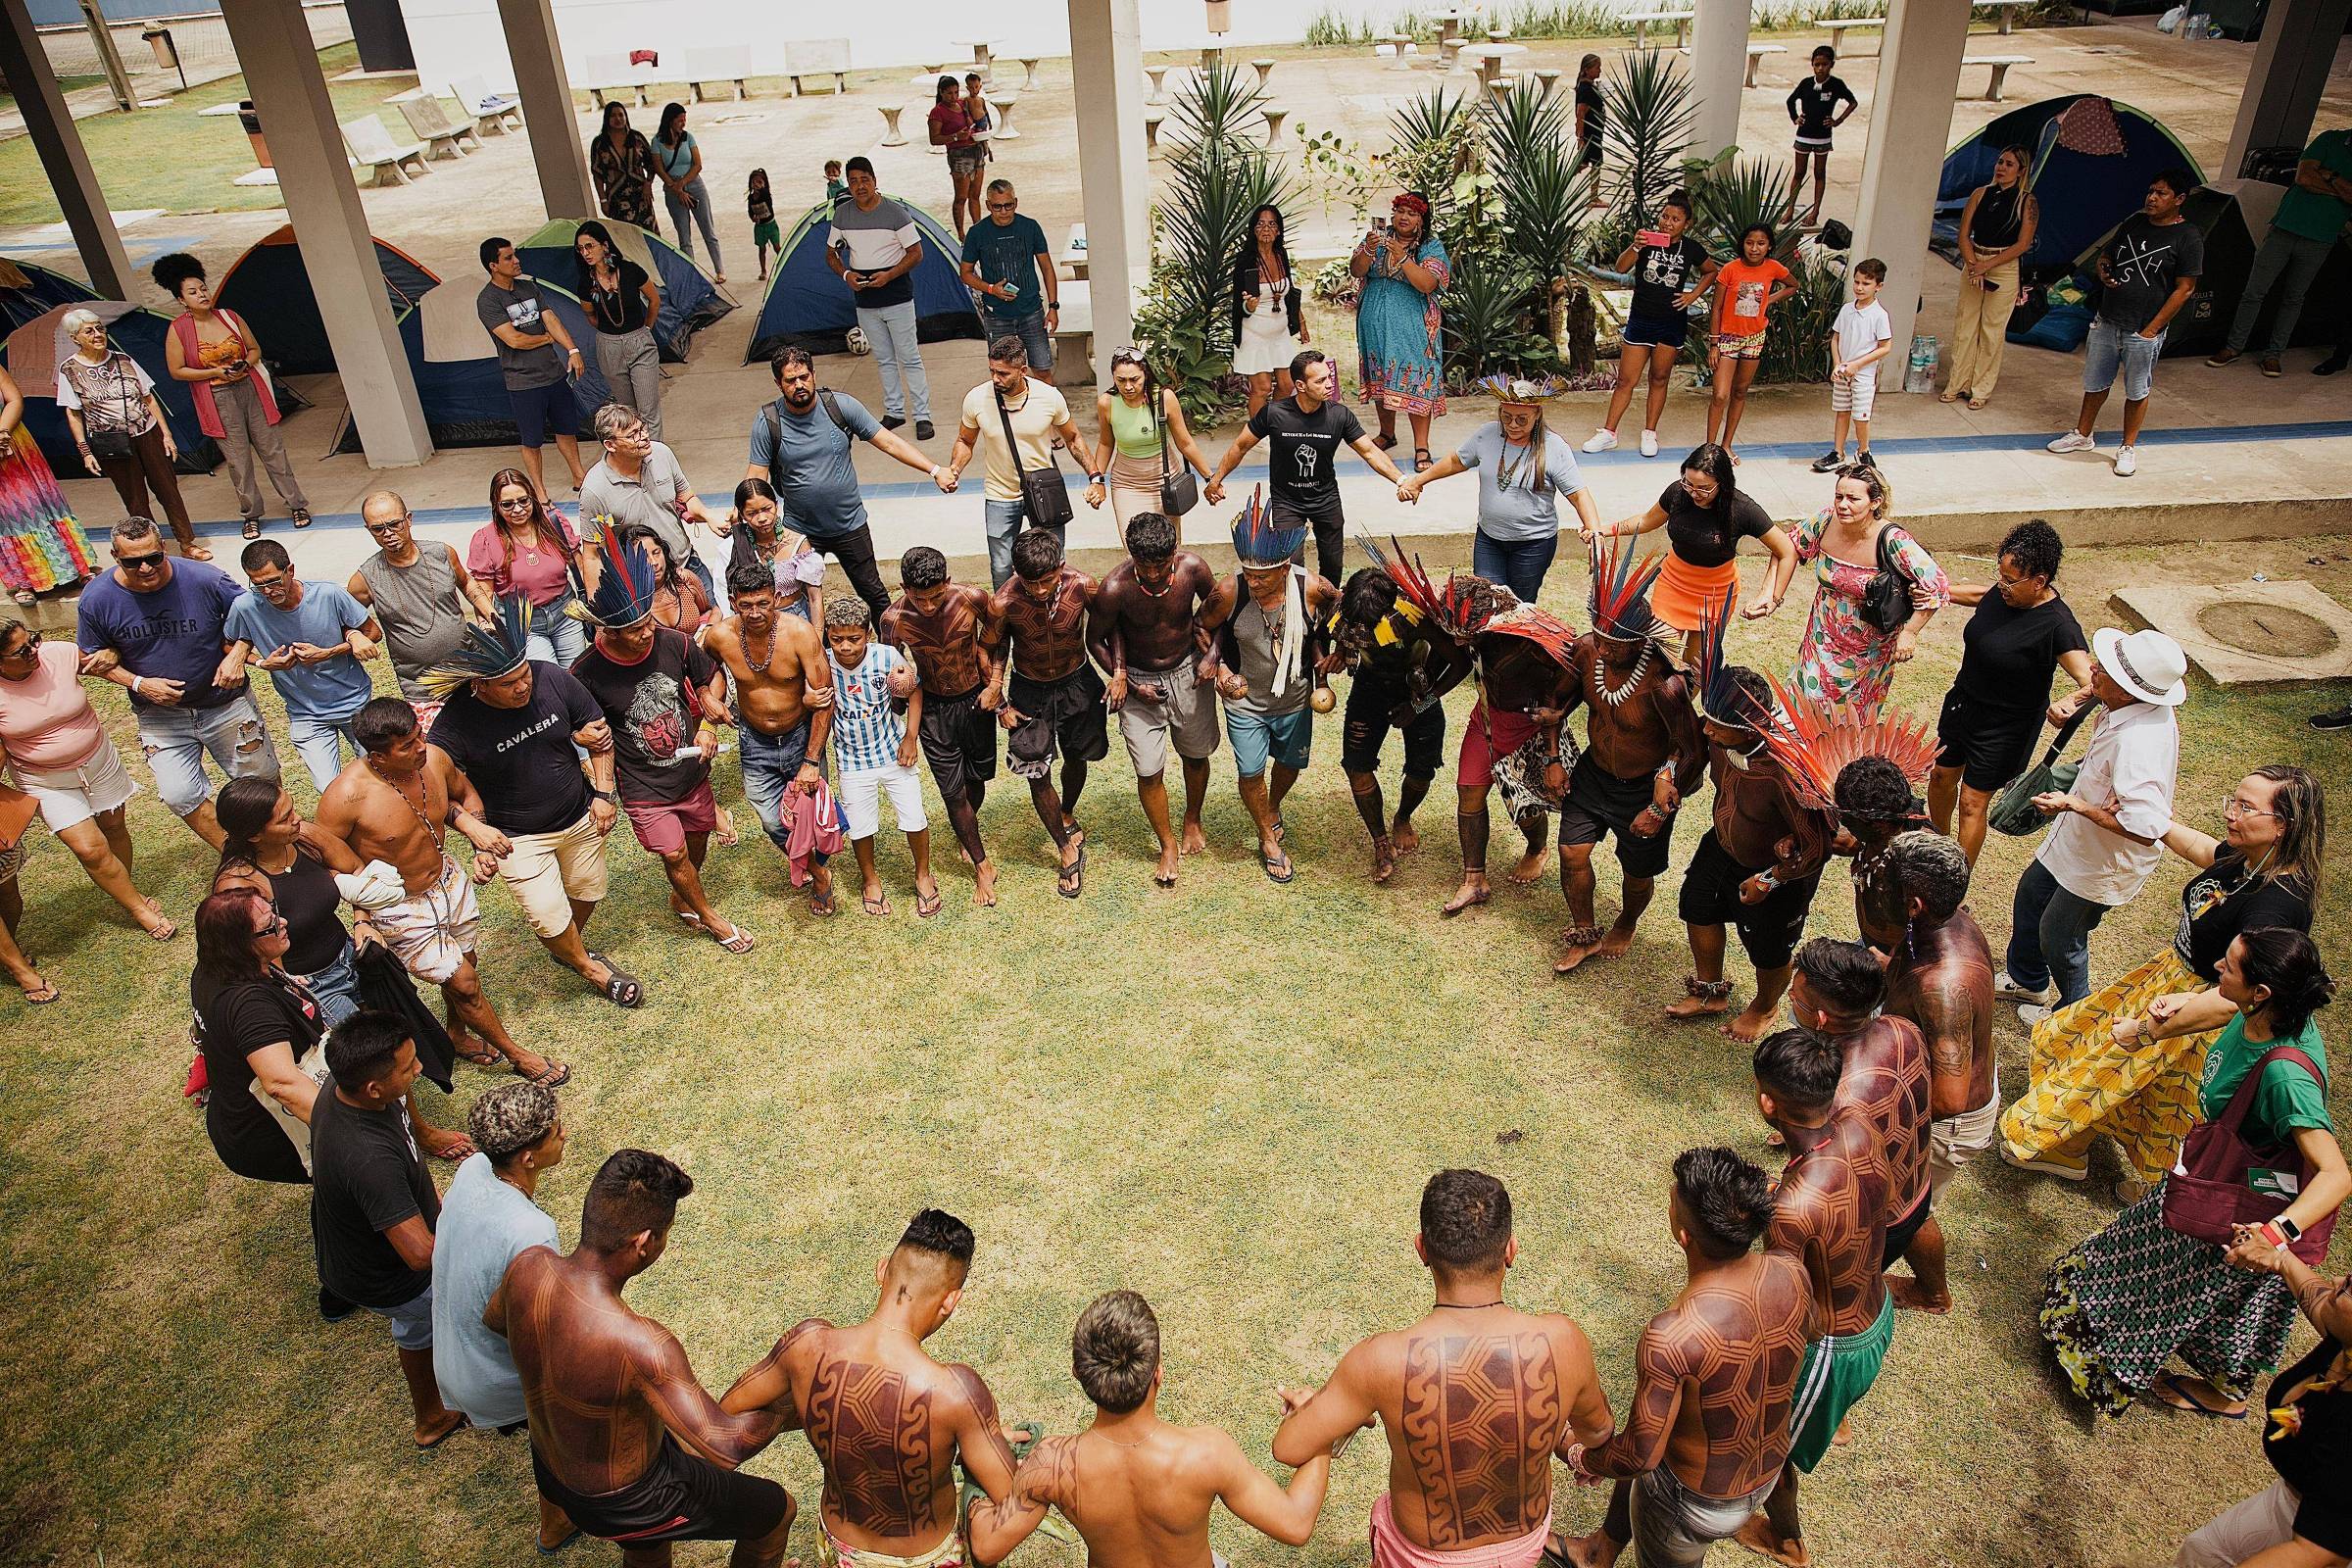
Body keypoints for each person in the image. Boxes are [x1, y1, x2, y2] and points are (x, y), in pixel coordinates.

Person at [2038, 929, 2347, 1420]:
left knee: (2178, 1295)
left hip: (2237, 1214)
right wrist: (2145, 1031)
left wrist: (2274, 1235)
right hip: (2209, 1178)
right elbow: (2218, 1005)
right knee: (2166, 1273)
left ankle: (2213, 1391)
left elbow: (2335, 1175)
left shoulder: (2285, 1077)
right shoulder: (2257, 1010)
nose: (2217, 971)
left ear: (2261, 992)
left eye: (2229, 966)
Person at [2002, 764, 2321, 1197]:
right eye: (2234, 800)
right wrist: (2154, 820)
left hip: (2198, 1014)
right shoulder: (2250, 859)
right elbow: (2207, 854)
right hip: (2172, 982)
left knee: (2150, 1096)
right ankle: (2076, 1150)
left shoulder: (2276, 910)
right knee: (2114, 1070)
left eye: (2246, 807)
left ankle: (2159, 1191)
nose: (2231, 813)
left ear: (2281, 825)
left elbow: (2238, 999)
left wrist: (2150, 1029)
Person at [1272, 1169, 1616, 1568]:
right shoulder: (1563, 1342)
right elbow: (1598, 1431)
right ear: (1510, 1250)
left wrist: (1314, 1410)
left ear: (1422, 1250)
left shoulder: (1381, 1361)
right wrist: (1556, 1435)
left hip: (1421, 1557)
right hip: (1523, 1547)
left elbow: (1289, 1447)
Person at [491, 1149, 795, 1565]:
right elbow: (724, 1446)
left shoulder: (527, 1266)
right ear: (644, 1243)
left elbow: (495, 1321)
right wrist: (789, 1404)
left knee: (647, 1545)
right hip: (630, 1501)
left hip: (551, 1470)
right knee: (775, 1512)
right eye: (665, 1233)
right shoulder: (642, 1344)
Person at [1554, 1148, 1813, 1568]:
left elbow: (1639, 1457)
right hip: (1769, 1473)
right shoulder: (1791, 1272)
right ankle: (1600, 1551)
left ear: (1684, 1235)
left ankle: (1598, 1552)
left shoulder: (1672, 1335)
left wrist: (1578, 1453)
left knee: (1649, 1446)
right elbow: (1806, 1336)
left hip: (1691, 1506)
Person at [718, 1209, 1017, 1568]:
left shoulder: (807, 1346)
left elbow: (728, 1410)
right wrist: (978, 1445)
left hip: (837, 1545)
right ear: (951, 1301)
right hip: (927, 1559)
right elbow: (1010, 1497)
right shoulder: (957, 1391)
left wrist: (819, 1408)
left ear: (881, 1271)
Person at [969, 1289, 1335, 1568]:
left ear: (1078, 1375)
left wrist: (976, 1456)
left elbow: (986, 1548)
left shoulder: (1049, 1465)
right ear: (1158, 1373)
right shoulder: (1207, 1453)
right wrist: (1321, 1429)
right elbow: (1297, 1524)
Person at [314, 697, 567, 1086]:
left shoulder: (433, 759)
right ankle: (519, 1056)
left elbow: (463, 795)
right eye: (407, 746)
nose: (420, 749)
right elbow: (328, 863)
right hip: (399, 905)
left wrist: (476, 834)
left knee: (467, 963)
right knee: (464, 983)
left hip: (449, 881)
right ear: (378, 756)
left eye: (419, 737)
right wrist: (363, 913)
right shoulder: (346, 797)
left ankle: (458, 1034)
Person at [422, 598, 642, 1008]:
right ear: (479, 685)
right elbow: (437, 795)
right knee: (545, 912)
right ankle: (589, 967)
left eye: (525, 675)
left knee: (588, 892)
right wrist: (475, 832)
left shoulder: (551, 678)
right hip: (517, 837)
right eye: (509, 684)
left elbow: (597, 734)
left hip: (580, 816)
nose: (524, 687)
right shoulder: (453, 725)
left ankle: (566, 946)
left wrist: (604, 794)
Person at [1739, 1027, 1898, 1568]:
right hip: (1879, 1312)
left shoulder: (1790, 1210)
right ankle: (1830, 1413)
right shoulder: (1860, 1124)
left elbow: (1786, 1313)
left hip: (1834, 1349)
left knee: (1771, 1449)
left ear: (1767, 1102)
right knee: (1812, 1406)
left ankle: (1786, 1540)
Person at [567, 531, 755, 952]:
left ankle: (683, 898)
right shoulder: (585, 672)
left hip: (691, 772)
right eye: (635, 629)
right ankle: (709, 916)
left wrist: (707, 717)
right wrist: (582, 736)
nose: (647, 632)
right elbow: (573, 726)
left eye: (649, 621)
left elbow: (709, 677)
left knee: (698, 839)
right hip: (642, 785)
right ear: (610, 631)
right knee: (673, 854)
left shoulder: (674, 642)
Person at [1998, 625, 2187, 1018]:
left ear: (2127, 691)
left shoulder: (2138, 747)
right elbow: (2102, 689)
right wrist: (2082, 693)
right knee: (2032, 893)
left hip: (2102, 860)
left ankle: (2073, 1015)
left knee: (2060, 937)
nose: (2093, 668)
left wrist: (2074, 805)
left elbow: (2145, 826)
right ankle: (2028, 981)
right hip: (2075, 842)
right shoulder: (2130, 701)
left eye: (2106, 671)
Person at [308, 1010, 467, 1448]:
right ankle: (432, 1419)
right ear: (374, 1087)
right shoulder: (367, 1158)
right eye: (409, 1068)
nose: (419, 1069)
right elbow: (418, 1255)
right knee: (426, 1324)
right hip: (390, 1275)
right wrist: (472, 1239)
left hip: (362, 1242)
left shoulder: (347, 1091)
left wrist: (433, 1199)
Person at [429, 1082, 577, 1555]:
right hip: (490, 1376)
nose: (565, 1135)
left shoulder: (473, 1167)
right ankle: (557, 1522)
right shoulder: (532, 1230)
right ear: (528, 1158)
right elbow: (533, 1325)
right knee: (558, 1437)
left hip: (448, 1354)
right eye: (556, 1132)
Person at [76, 515, 280, 848]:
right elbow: (93, 658)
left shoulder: (206, 579)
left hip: (225, 704)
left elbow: (253, 613)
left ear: (165, 548)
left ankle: (279, 848)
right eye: (132, 561)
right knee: (179, 794)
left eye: (153, 557)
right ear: (115, 557)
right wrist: (139, 683)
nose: (145, 568)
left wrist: (238, 653)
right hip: (160, 718)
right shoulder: (97, 598)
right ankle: (240, 854)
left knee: (260, 783)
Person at [1552, 540, 1705, 976]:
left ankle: (1626, 921)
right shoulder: (1587, 651)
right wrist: (1552, 757)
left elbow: (1693, 749)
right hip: (1593, 775)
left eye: (1612, 645)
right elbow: (1557, 703)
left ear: (1639, 641)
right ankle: (1584, 932)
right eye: (1597, 637)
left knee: (1636, 871)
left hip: (1642, 790)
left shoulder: (1665, 684)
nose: (1601, 650)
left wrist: (1660, 801)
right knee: (1571, 853)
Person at [1669, 646, 1833, 1042]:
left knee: (1768, 951)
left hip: (1775, 872)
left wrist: (1772, 878)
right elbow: (1689, 751)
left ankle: (1765, 1006)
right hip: (1720, 846)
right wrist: (1666, 775)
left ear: (1750, 727)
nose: (1707, 730)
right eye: (1707, 720)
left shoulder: (1784, 771)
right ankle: (1710, 991)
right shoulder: (1720, 739)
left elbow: (1818, 847)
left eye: (1717, 725)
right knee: (1697, 906)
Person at [2174, 1235, 2352, 1566]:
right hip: (2292, 1499)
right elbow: (2320, 1301)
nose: (2337, 1279)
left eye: (2350, 1288)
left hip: (2321, 1540)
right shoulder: (2346, 1342)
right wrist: (2279, 1257)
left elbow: (2313, 1553)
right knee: (2203, 1552)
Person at [745, 347, 952, 627]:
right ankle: (816, 657)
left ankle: (892, 655)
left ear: (814, 374)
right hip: (799, 530)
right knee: (799, 599)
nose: (799, 385)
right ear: (778, 384)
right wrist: (740, 516)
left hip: (849, 524)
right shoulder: (768, 421)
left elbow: (889, 442)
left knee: (875, 595)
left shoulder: (841, 407)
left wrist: (934, 470)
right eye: (790, 381)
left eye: (804, 377)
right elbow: (756, 479)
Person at [1878, 831, 1996, 1316]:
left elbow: (1947, 1097)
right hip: (1939, 1106)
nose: (1873, 889)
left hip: (1945, 1123)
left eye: (1883, 885)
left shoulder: (1942, 988)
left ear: (1914, 903)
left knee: (1902, 1208)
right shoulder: (1946, 922)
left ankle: (1932, 1293)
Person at [1928, 519, 2093, 863]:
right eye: (1999, 575)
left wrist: (2071, 700)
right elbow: (1980, 595)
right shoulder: (2005, 593)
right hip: (1963, 704)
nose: (2000, 585)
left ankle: (1954, 880)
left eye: (2009, 580)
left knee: (1973, 802)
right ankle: (1935, 847)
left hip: (2005, 727)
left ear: (2039, 582)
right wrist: (1938, 592)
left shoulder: (2057, 624)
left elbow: (2093, 680)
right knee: (1941, 776)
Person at [0, 613, 174, 938]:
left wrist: (115, 656)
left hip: (98, 760)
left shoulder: (58, 653)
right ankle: (137, 906)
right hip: (45, 780)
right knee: (89, 848)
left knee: (113, 826)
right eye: (22, 651)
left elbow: (104, 663)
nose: (35, 651)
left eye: (33, 640)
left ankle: (125, 888)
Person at [1200, 497, 1339, 886]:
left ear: (1284, 567)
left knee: (1291, 765)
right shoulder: (1230, 590)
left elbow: (1342, 616)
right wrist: (1220, 665)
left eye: (1262, 576)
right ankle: (1266, 835)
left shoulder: (1312, 588)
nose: (1253, 582)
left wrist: (1332, 656)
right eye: (1248, 573)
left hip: (1295, 700)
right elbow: (1201, 625)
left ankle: (1271, 807)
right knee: (1250, 770)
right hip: (1245, 702)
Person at [1423, 575, 1578, 919]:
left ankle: (1537, 849)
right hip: (1487, 721)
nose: (1459, 642)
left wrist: (1555, 737)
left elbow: (1576, 672)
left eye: (1465, 636)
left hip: (1529, 729)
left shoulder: (1531, 643)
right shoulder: (1470, 632)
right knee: (1469, 790)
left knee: (1527, 807)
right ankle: (1474, 879)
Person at [704, 527, 837, 913]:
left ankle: (815, 867)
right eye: (746, 605)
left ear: (776, 598)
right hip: (754, 739)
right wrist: (709, 697)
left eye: (763, 603)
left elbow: (824, 699)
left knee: (812, 813)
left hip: (799, 737)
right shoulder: (720, 636)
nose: (756, 613)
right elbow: (703, 670)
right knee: (770, 818)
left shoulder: (801, 634)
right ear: (733, 602)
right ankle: (815, 869)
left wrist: (812, 760)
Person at [1088, 512, 1220, 888]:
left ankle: (1192, 818)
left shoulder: (1193, 568)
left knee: (1196, 756)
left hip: (1188, 673)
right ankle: (1167, 843)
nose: (1153, 574)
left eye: (1161, 566)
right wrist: (1126, 682)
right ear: (1131, 555)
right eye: (1144, 566)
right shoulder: (1115, 586)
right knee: (1148, 769)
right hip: (1138, 682)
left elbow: (1218, 612)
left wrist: (1212, 656)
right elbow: (1094, 639)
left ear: (1174, 552)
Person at [2047, 168, 2203, 478]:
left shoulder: (2188, 237)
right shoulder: (2135, 222)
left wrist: (2152, 329)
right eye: (2151, 191)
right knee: (2095, 383)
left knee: (2136, 389)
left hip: (2143, 328)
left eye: (2161, 193)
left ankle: (2127, 447)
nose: (2152, 198)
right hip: (2108, 320)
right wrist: (2104, 270)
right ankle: (2083, 434)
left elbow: (2185, 288)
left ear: (2179, 199)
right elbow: (2107, 255)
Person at [1205, 349, 1404, 587]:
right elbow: (1240, 446)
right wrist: (1215, 480)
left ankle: (1328, 613)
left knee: (1333, 566)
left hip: (1326, 498)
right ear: (1300, 385)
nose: (1329, 384)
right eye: (1320, 381)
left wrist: (1401, 480)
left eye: (1329, 377)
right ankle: (1300, 615)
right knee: (1293, 567)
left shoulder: (1339, 415)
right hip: (1287, 502)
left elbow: (1370, 452)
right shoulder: (1274, 413)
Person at [1323, 567, 1471, 886]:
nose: (1363, 629)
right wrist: (1339, 654)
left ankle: (1403, 817)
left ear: (1390, 609)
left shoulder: (1416, 618)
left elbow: (1461, 663)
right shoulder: (1342, 607)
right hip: (1370, 686)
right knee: (1357, 765)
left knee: (1422, 768)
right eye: (1356, 623)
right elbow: (1342, 635)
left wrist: (1420, 704)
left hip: (1417, 687)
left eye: (1370, 624)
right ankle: (1379, 840)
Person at [1396, 374, 1599, 604]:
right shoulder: (1487, 434)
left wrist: (1596, 535)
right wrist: (1417, 481)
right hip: (1489, 539)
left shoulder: (1554, 447)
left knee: (1520, 608)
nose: (1513, 424)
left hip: (1533, 545)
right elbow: (1456, 461)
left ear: (1537, 415)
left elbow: (1578, 495)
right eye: (1507, 417)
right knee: (1485, 602)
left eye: (1522, 419)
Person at [153, 252, 310, 540]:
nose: (202, 295)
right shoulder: (179, 329)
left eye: (203, 288)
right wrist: (215, 374)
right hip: (218, 398)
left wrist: (244, 365)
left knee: (273, 450)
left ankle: (296, 504)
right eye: (193, 292)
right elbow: (177, 370)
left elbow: (254, 349)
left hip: (249, 389)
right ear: (180, 300)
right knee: (238, 460)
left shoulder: (230, 317)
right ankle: (251, 514)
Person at [1594, 443, 1793, 666]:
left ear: (1723, 483)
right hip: (1673, 584)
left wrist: (1772, 596)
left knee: (1698, 666)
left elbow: (1786, 551)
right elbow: (1647, 520)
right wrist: (1607, 529)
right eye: (1688, 483)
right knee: (1658, 659)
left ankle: (1685, 702)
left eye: (1704, 487)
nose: (1694, 493)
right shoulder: (1678, 493)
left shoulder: (1742, 508)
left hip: (1715, 593)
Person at [188, 884, 331, 1185]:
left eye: (274, 912)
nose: (284, 923)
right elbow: (280, 1084)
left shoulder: (210, 968)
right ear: (241, 945)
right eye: (269, 927)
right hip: (269, 1134)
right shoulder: (250, 1007)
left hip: (231, 1117)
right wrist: (355, 1126)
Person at [882, 546, 1002, 906]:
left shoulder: (973, 598)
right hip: (933, 708)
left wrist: (995, 683)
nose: (929, 606)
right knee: (952, 793)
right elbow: (893, 668)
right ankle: (982, 864)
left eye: (936, 597)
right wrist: (898, 693)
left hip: (975, 702)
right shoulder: (894, 620)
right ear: (903, 587)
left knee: (975, 781)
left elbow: (999, 639)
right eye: (920, 599)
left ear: (948, 582)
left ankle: (968, 830)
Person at [986, 528, 1102, 898]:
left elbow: (1108, 628)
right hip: (1028, 689)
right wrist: (1000, 697)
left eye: (1046, 581)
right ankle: (1065, 848)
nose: (1038, 590)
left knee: (1077, 757)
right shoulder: (1004, 601)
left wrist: (1119, 672)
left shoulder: (1083, 586)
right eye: (1029, 582)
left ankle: (1066, 812)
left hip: (1077, 682)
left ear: (1061, 567)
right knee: (1036, 770)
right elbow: (991, 646)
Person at [210, 776, 373, 1031]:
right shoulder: (239, 884)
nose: (297, 819)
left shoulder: (305, 837)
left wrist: (362, 920)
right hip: (312, 984)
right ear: (254, 835)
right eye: (284, 819)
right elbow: (259, 950)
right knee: (365, 1045)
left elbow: (356, 869)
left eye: (292, 809)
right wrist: (290, 990)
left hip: (353, 956)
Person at [223, 539, 380, 791]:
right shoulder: (245, 606)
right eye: (258, 584)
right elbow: (229, 646)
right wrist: (264, 663)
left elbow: (372, 632)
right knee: (329, 790)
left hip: (355, 704)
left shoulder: (328, 594)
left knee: (382, 778)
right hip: (305, 713)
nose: (268, 591)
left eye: (273, 581)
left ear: (290, 570)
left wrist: (329, 652)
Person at [1788, 463, 1947, 709]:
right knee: (1804, 702)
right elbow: (1792, 544)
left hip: (1867, 653)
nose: (1842, 504)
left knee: (1848, 721)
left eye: (1853, 498)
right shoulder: (1826, 519)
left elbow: (1937, 584)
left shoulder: (1893, 540)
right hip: (1820, 638)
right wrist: (1772, 594)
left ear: (1875, 502)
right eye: (1838, 496)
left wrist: (1910, 632)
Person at [948, 336, 1098, 589]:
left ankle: (1055, 613)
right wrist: (955, 468)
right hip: (1000, 493)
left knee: (1052, 559)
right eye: (992, 371)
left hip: (1043, 491)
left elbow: (1072, 438)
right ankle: (1005, 620)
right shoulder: (976, 399)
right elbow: (965, 440)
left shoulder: (1049, 397)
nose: (996, 379)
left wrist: (1095, 476)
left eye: (1003, 373)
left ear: (1023, 371)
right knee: (1001, 566)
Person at [54, 310, 202, 559]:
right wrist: (85, 451)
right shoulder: (69, 369)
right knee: (135, 499)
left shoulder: (123, 359)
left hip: (147, 432)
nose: (98, 334)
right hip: (112, 442)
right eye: (89, 331)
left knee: (168, 489)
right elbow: (74, 414)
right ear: (75, 337)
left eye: (100, 328)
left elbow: (149, 398)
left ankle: (187, 543)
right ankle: (151, 548)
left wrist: (167, 435)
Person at [822, 595, 936, 917]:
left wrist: (911, 738)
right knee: (860, 827)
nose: (845, 647)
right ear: (828, 635)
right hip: (852, 759)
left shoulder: (886, 656)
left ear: (868, 635)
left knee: (914, 816)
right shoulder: (823, 662)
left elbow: (914, 692)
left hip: (892, 751)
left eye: (854, 639)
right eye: (837, 639)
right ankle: (870, 880)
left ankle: (923, 874)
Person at [2208, 124, 2352, 377]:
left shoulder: (2330, 153)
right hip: (2285, 227)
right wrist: (2339, 189)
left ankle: (2274, 355)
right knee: (2254, 291)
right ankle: (2233, 347)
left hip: (2320, 238)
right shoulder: (2330, 139)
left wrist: (2329, 176)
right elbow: (2304, 177)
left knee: (2294, 298)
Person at [347, 491, 499, 732]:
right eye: (378, 529)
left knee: (489, 742)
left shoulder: (442, 554)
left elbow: (467, 583)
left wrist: (491, 615)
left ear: (408, 519)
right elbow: (345, 618)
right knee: (442, 758)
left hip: (472, 674)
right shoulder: (365, 579)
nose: (388, 534)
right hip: (424, 690)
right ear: (369, 530)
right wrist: (352, 636)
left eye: (394, 524)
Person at [1583, 192, 1716, 459]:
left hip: (1672, 322)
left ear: (1686, 223)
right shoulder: (1647, 241)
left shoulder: (1690, 249)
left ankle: (1649, 432)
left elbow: (1711, 271)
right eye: (1665, 216)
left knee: (1659, 377)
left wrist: (1693, 295)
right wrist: (1635, 247)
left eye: (1676, 219)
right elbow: (1620, 268)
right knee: (1625, 380)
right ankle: (1609, 433)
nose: (1668, 222)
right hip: (1641, 318)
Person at [476, 237, 590, 501]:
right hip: (523, 381)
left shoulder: (528, 288)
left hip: (553, 373)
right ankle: (539, 491)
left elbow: (551, 318)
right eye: (508, 258)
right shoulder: (488, 300)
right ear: (493, 265)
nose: (516, 261)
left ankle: (578, 475)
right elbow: (514, 339)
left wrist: (572, 350)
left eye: (514, 255)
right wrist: (548, 339)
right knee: (532, 440)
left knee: (566, 428)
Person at [832, 156, 935, 436]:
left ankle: (923, 416)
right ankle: (894, 412)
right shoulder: (842, 214)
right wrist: (846, 275)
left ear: (875, 181)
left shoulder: (895, 213)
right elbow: (831, 254)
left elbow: (916, 253)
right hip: (865, 299)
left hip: (897, 295)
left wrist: (889, 275)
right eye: (853, 181)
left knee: (909, 357)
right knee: (884, 358)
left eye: (865, 179)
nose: (859, 186)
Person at [1349, 192, 1453, 471]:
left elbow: (1427, 284)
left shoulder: (1430, 247)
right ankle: (1387, 433)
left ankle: (1422, 447)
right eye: (1400, 211)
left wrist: (1402, 255)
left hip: (1412, 327)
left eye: (1412, 213)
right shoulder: (1377, 238)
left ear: (1422, 219)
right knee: (1382, 376)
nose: (1404, 217)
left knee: (1415, 377)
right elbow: (1357, 270)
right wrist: (1370, 251)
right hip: (1374, 324)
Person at [580, 405, 721, 602]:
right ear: (610, 445)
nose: (644, 437)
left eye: (642, 428)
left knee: (715, 623)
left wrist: (708, 515)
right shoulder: (594, 490)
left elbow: (686, 498)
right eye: (633, 435)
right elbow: (593, 555)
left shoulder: (661, 453)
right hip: (642, 583)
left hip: (686, 563)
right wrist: (600, 608)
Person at [1940, 144, 2038, 410]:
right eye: (2000, 162)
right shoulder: (1980, 194)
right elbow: (1963, 234)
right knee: (1965, 325)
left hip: (2003, 265)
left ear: (2020, 171)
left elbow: (2023, 243)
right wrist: (1973, 264)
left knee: (1992, 329)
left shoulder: (2026, 201)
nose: (2001, 168)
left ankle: (1980, 388)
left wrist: (1989, 265)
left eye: (2009, 164)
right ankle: (1957, 382)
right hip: (1975, 260)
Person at [467, 469, 589, 666]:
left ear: (532, 498)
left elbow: (581, 566)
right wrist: (488, 624)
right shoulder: (486, 540)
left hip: (566, 613)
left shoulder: (554, 523)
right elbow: (484, 593)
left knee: (576, 675)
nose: (518, 509)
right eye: (507, 504)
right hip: (522, 622)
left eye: (523, 501)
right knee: (549, 680)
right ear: (496, 506)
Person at [1697, 224, 1795, 463]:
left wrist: (1768, 301)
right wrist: (1714, 343)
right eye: (1750, 242)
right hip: (1728, 338)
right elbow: (1716, 308)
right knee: (1720, 395)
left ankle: (1727, 445)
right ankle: (1709, 449)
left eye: (1761, 243)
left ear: (1769, 246)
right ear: (1742, 244)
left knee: (1740, 391)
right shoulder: (1730, 270)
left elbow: (1793, 285)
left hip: (1754, 337)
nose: (1754, 248)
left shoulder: (1773, 268)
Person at [1088, 348, 1211, 537]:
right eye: (1121, 380)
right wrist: (1097, 480)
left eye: (1134, 379)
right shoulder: (1107, 402)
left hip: (1165, 481)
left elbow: (1185, 443)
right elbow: (1106, 443)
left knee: (1167, 548)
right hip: (1126, 484)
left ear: (1145, 374)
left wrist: (1210, 478)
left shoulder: (1164, 398)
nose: (1128, 386)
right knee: (1133, 548)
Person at [0, 362, 94, 606]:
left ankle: (78, 568)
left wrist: (1, 433)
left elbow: (14, 399)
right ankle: (28, 580)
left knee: (43, 505)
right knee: (9, 517)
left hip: (14, 443)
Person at [574, 219, 664, 442]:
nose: (585, 253)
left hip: (639, 341)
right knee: (628, 413)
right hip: (609, 345)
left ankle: (655, 461)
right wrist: (609, 334)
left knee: (648, 410)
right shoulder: (586, 283)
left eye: (589, 246)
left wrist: (646, 328)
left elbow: (654, 300)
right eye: (581, 249)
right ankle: (635, 456)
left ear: (604, 245)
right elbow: (590, 315)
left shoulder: (630, 270)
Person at [960, 179, 1057, 374]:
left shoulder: (1030, 227)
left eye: (1008, 205)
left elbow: (1047, 267)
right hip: (997, 316)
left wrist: (1053, 307)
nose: (1003, 211)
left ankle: (1042, 406)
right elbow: (965, 273)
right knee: (1002, 373)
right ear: (988, 205)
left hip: (1031, 312)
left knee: (1043, 371)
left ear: (1016, 203)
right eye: (997, 206)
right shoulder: (977, 233)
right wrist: (991, 289)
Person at [1811, 257, 1891, 473]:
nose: (1859, 287)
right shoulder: (1847, 309)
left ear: (1878, 286)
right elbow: (1835, 338)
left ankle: (1864, 451)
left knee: (1861, 416)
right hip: (1844, 373)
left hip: (1863, 376)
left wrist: (1857, 364)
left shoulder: (1879, 315)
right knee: (1842, 411)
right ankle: (1838, 453)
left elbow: (1885, 347)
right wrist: (1838, 364)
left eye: (1866, 283)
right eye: (1857, 282)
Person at [1232, 203, 1307, 417]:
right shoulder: (1245, 259)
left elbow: (1289, 292)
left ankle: (1273, 422)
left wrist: (1301, 323)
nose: (1266, 229)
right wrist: (1249, 306)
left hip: (1280, 332)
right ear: (1253, 229)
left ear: (1279, 230)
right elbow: (1239, 304)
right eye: (1261, 224)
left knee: (1287, 383)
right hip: (1253, 332)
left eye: (1272, 224)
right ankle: (1256, 434)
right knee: (1262, 388)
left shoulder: (1280, 254)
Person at [723, 479, 824, 621]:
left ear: (776, 505)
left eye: (767, 509)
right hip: (755, 621)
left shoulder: (798, 544)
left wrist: (817, 638)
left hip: (795, 619)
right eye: (752, 513)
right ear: (742, 515)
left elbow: (815, 598)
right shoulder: (739, 544)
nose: (762, 518)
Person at [1785, 47, 1857, 227]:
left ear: (1831, 64)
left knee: (1819, 173)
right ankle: (1790, 209)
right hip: (1804, 135)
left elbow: (1852, 102)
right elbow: (1790, 100)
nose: (1820, 68)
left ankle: (1815, 212)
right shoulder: (1806, 84)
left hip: (1823, 138)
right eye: (1817, 65)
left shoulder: (1836, 85)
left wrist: (1838, 120)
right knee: (1799, 172)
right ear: (1812, 65)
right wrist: (1795, 118)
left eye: (1824, 64)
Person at [652, 102, 722, 280]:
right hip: (673, 189)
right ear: (670, 121)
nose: (683, 124)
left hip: (693, 184)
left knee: (708, 229)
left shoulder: (688, 137)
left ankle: (719, 269)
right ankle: (692, 274)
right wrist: (677, 189)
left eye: (684, 120)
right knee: (684, 235)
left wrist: (682, 183)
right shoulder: (657, 142)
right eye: (679, 120)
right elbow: (659, 169)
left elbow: (697, 165)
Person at [628, 524, 713, 635]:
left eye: (656, 552)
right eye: (643, 557)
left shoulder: (684, 579)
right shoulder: (626, 601)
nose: (654, 562)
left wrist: (705, 630)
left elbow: (710, 610)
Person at [587, 101, 657, 230]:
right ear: (607, 119)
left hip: (641, 196)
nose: (618, 119)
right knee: (625, 239)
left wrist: (648, 184)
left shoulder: (636, 138)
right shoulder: (600, 144)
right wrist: (603, 200)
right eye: (613, 116)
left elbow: (651, 164)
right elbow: (597, 174)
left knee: (649, 237)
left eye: (621, 115)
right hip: (617, 198)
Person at [928, 75, 984, 237]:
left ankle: (978, 229)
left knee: (975, 195)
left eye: (956, 92)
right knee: (961, 197)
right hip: (959, 155)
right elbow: (934, 139)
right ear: (941, 93)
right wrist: (954, 137)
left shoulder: (962, 104)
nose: (954, 97)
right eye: (949, 93)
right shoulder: (937, 112)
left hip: (976, 150)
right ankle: (961, 233)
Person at [1572, 53, 1603, 172]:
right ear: (1587, 69)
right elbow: (1580, 114)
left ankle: (1594, 192)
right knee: (1591, 165)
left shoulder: (1588, 86)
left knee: (1590, 164)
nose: (1599, 71)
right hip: (1590, 134)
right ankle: (1561, 183)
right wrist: (1581, 138)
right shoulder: (1586, 89)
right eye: (1597, 68)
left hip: (1595, 133)